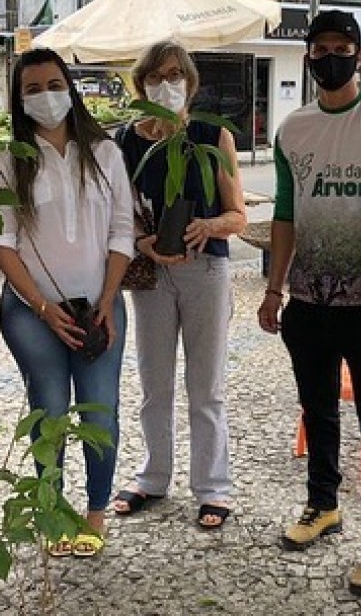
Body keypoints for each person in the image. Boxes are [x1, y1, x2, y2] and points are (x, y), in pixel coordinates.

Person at [256, 10, 361, 596]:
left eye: (342, 46)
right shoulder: (293, 130)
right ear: (307, 56)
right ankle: (322, 505)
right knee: (318, 411)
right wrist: (273, 290)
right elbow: (284, 215)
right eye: (320, 47)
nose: (331, 56)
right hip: (307, 303)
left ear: (359, 52)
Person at [0, 48, 133, 558]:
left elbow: (121, 231)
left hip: (99, 306)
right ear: (18, 99)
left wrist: (109, 300)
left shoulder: (105, 153)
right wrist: (44, 309)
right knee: (48, 411)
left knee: (100, 412)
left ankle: (95, 509)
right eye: (32, 88)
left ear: (70, 88)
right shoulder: (7, 161)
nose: (45, 96)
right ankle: (51, 509)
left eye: (53, 84)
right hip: (31, 313)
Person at [111, 41, 246, 530]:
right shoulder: (126, 140)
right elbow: (118, 216)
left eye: (175, 75)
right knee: (154, 382)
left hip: (205, 270)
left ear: (190, 82)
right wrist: (144, 243)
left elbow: (238, 215)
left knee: (206, 386)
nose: (165, 84)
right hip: (151, 276)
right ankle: (153, 476)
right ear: (140, 83)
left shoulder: (210, 135)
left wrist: (208, 227)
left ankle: (213, 487)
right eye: (154, 76)